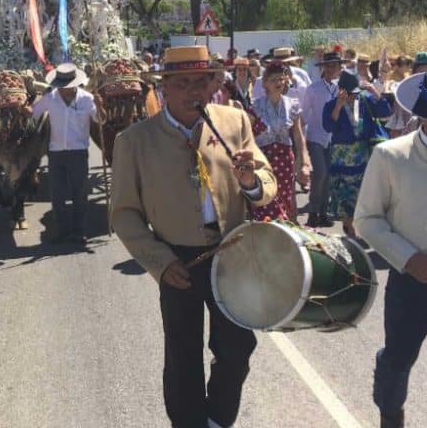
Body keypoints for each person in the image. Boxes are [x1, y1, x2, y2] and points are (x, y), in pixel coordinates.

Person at [110, 45, 277, 428]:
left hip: (233, 255)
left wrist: (251, 182)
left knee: (237, 347)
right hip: (177, 262)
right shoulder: (135, 141)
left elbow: (267, 184)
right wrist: (160, 263)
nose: (194, 92)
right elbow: (124, 215)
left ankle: (218, 420)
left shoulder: (234, 122)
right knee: (183, 355)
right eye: (183, 83)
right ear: (164, 88)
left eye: (202, 82)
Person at [355, 72, 427, 428]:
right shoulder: (390, 155)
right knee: (398, 363)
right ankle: (389, 414)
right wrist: (410, 259)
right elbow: (367, 219)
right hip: (412, 282)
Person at [30, 63, 105, 245]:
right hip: (56, 154)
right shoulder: (50, 98)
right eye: (60, 87)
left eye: (67, 87)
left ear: (74, 84)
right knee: (57, 195)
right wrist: (19, 106)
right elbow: (33, 113)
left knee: (79, 193)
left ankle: (79, 231)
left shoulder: (87, 99)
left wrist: (100, 106)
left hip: (78, 153)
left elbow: (100, 120)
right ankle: (62, 231)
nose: (63, 90)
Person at [322, 71, 391, 238]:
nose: (353, 97)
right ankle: (349, 229)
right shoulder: (331, 105)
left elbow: (386, 112)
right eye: (349, 94)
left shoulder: (365, 101)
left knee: (364, 192)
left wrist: (374, 92)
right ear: (341, 91)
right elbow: (328, 127)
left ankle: (362, 226)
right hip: (342, 157)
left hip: (363, 155)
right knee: (345, 194)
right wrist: (338, 105)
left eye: (355, 93)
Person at [248, 61, 311, 220]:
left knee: (285, 198)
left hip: (285, 159)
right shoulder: (255, 107)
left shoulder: (292, 105)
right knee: (266, 197)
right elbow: (247, 137)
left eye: (281, 79)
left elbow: (298, 136)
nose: (278, 83)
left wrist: (303, 162)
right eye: (273, 80)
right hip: (263, 159)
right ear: (265, 83)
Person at [300, 50, 343, 228]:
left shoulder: (343, 88)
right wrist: (299, 141)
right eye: (328, 65)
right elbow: (303, 114)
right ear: (323, 68)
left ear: (340, 68)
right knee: (320, 173)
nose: (331, 69)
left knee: (329, 176)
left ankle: (323, 213)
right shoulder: (313, 89)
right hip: (316, 136)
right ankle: (312, 213)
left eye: (335, 65)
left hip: (335, 138)